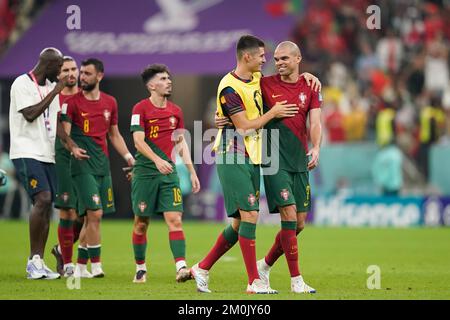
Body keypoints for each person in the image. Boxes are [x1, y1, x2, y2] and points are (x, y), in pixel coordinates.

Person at [190, 35, 301, 294]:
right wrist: (272, 113)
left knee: (241, 222)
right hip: (232, 154)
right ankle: (254, 282)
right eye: (262, 56)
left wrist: (309, 78)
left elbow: (287, 82)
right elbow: (242, 127)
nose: (266, 60)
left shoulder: (257, 80)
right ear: (247, 57)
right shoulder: (228, 87)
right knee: (250, 214)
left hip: (252, 156)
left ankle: (202, 268)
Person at [9, 47, 87, 280]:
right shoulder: (21, 83)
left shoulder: (48, 88)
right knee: (41, 199)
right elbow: (31, 114)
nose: (61, 75)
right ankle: (33, 260)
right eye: (59, 70)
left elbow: (56, 125)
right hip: (26, 151)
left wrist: (72, 145)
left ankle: (38, 262)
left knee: (46, 207)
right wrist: (55, 92)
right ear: (48, 66)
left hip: (47, 154)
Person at [257, 41, 322, 294]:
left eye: (284, 58)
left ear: (298, 59)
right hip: (274, 159)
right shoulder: (264, 83)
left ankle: (265, 265)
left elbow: (315, 122)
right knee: (289, 216)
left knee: (299, 224)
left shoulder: (311, 85)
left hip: (299, 161)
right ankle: (296, 280)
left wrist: (316, 148)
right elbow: (237, 85)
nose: (279, 62)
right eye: (276, 58)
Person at [61, 58, 135, 278]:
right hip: (81, 166)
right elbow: (64, 134)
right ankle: (97, 265)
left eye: (87, 73)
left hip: (102, 166)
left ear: (99, 76)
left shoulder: (110, 102)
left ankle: (81, 268)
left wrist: (129, 157)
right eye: (81, 73)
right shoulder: (71, 102)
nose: (82, 77)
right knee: (95, 213)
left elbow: (114, 134)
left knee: (90, 218)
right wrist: (73, 147)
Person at [129, 64, 201, 284]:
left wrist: (191, 170)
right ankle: (140, 267)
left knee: (175, 219)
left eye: (169, 78)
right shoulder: (139, 109)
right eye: (163, 78)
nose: (169, 81)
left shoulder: (176, 111)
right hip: (145, 173)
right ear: (151, 85)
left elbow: (180, 143)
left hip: (168, 173)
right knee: (141, 222)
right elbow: (138, 141)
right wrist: (157, 160)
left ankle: (180, 266)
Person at [50, 56, 88, 277]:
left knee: (86, 214)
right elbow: (56, 128)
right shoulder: (53, 98)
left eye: (74, 69)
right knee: (68, 210)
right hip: (62, 156)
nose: (71, 73)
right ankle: (68, 264)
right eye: (66, 70)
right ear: (58, 74)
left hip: (85, 158)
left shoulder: (86, 96)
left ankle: (59, 249)